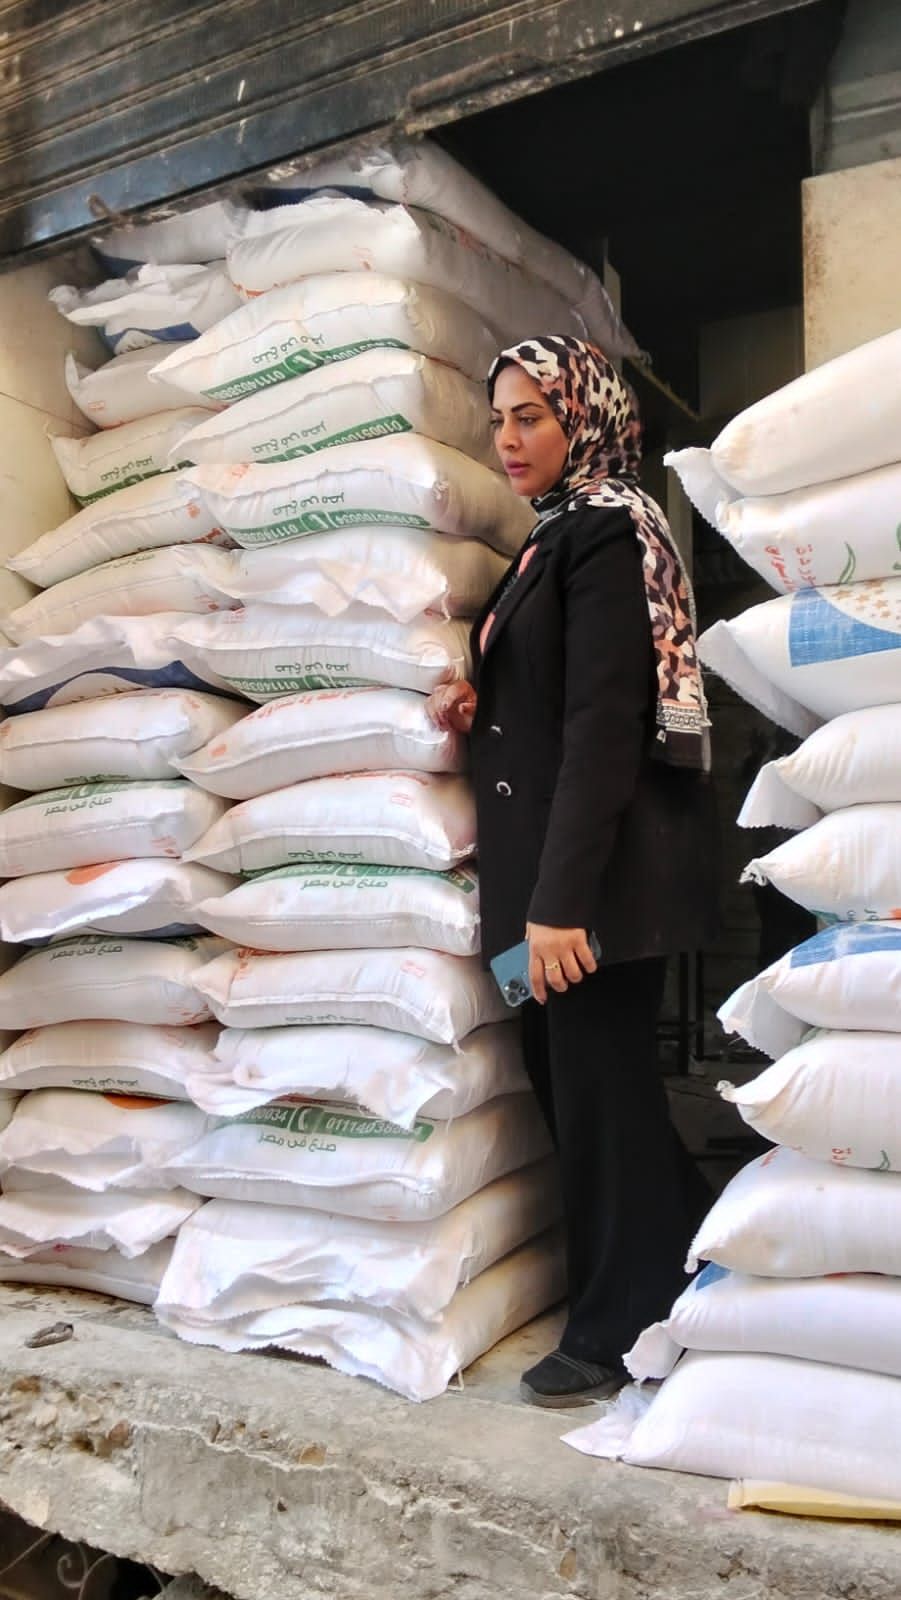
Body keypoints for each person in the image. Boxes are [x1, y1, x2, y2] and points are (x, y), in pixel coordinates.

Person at [427, 335, 718, 1408]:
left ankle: (615, 1326)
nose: (506, 440)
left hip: (587, 890)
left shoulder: (606, 532)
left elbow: (603, 727)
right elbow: (546, 700)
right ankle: (695, 1252)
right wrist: (478, 704)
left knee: (600, 1095)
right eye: (498, 420)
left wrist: (559, 910)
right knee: (573, 1084)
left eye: (531, 417)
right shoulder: (549, 536)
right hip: (536, 883)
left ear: (585, 418)